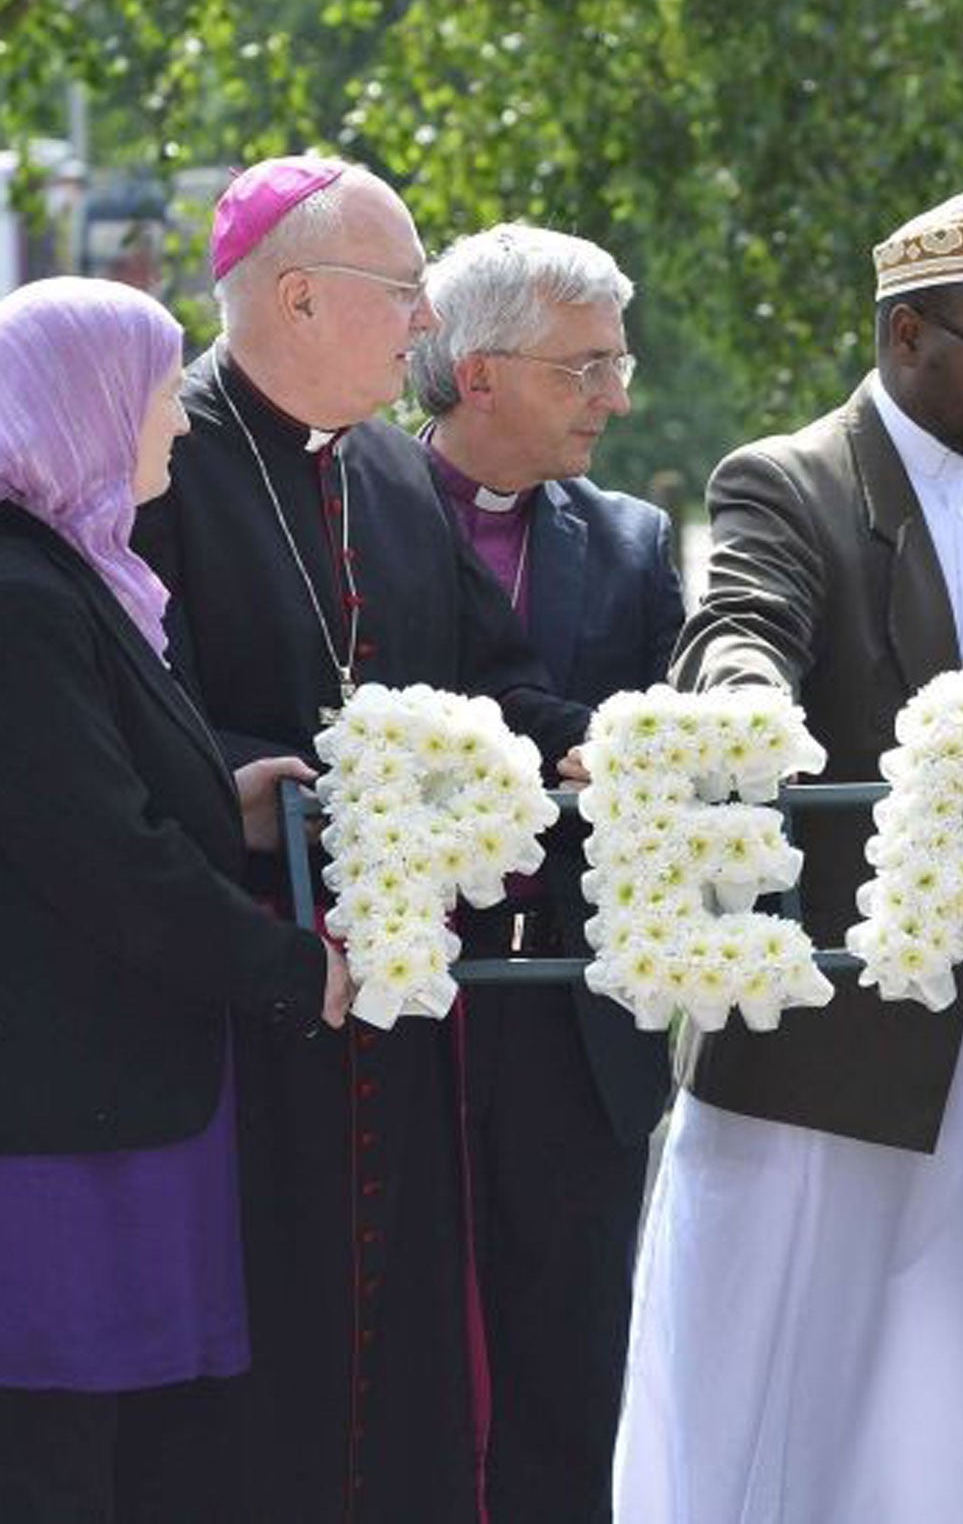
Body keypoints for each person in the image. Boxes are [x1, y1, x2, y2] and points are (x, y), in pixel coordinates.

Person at [613, 188, 963, 1524]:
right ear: (910, 335)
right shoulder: (790, 478)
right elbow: (740, 619)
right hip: (833, 1044)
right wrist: (742, 698)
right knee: (786, 1379)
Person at [131, 156, 590, 1523]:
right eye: (405, 294)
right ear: (299, 295)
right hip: (234, 995)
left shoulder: (390, 470)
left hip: (392, 1005)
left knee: (396, 1355)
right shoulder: (164, 458)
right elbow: (112, 708)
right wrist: (234, 778)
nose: (423, 331)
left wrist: (593, 747)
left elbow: (489, 680)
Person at [0, 276, 352, 1521]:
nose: (183, 425)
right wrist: (289, 971)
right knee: (55, 1455)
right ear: (85, 407)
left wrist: (232, 802)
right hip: (56, 1130)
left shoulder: (72, 573)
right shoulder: (21, 594)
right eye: (159, 397)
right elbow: (104, 859)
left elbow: (101, 798)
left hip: (108, 1105)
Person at [412, 222, 681, 1524]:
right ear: (479, 372)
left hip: (580, 1020)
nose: (616, 397)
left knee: (572, 1377)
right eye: (586, 367)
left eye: (616, 362)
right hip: (399, 1010)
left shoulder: (633, 540)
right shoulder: (353, 512)